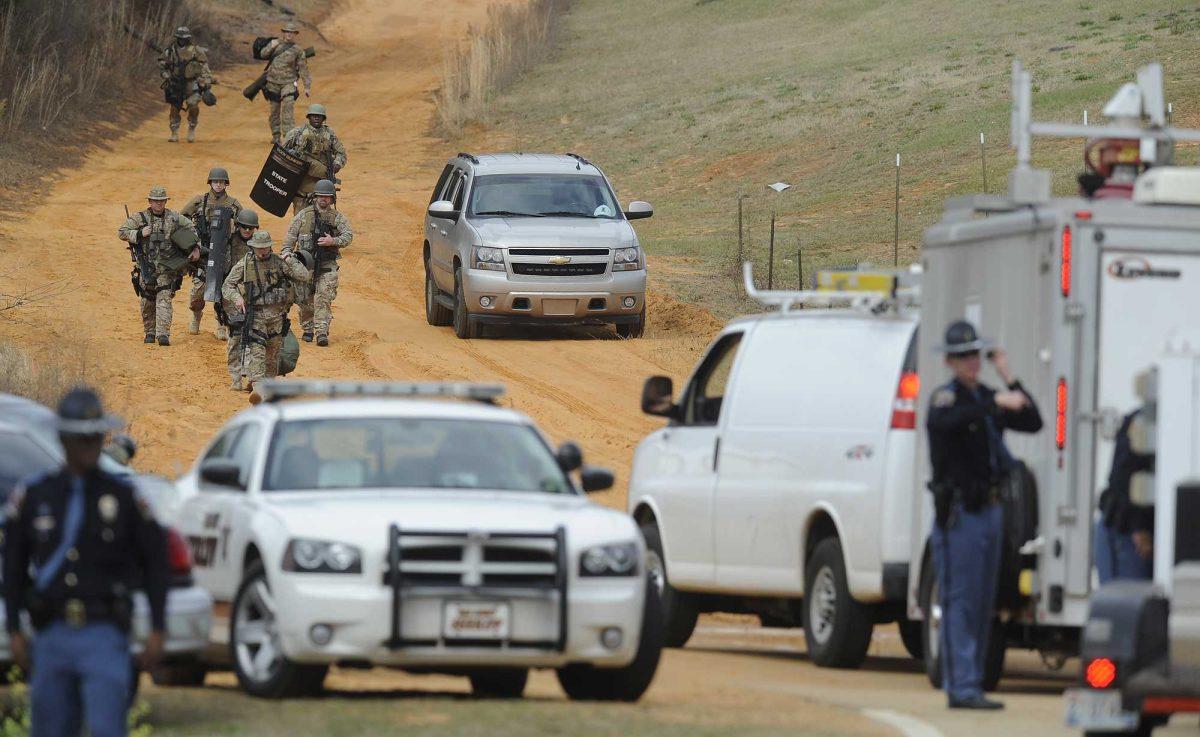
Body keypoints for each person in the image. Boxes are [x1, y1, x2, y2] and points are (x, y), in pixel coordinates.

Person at [4, 387, 167, 737]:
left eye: (95, 438)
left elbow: (155, 560)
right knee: (51, 728)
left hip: (104, 633)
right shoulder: (36, 495)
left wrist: (158, 626)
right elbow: (14, 564)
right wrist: (14, 629)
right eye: (81, 439)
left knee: (107, 728)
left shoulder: (123, 497)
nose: (91, 446)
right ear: (63, 440)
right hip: (51, 633)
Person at [926, 320, 1043, 710]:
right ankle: (961, 686)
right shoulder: (947, 400)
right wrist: (994, 403)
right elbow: (951, 422)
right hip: (961, 514)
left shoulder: (989, 397)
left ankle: (971, 682)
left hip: (991, 513)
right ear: (950, 362)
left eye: (975, 354)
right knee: (960, 600)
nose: (971, 362)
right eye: (963, 356)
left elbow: (1033, 420)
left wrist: (1008, 376)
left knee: (982, 600)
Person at [222, 231, 311, 397]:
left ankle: (267, 389)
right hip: (256, 316)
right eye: (258, 248)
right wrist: (237, 299)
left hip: (277, 317)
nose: (262, 251)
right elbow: (227, 286)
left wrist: (290, 259)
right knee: (257, 352)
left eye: (265, 247)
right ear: (253, 247)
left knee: (272, 355)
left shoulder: (280, 262)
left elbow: (304, 276)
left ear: (270, 246)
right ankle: (257, 388)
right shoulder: (246, 264)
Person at [117, 186, 199, 346]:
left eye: (162, 201)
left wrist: (195, 247)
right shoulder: (140, 218)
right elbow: (122, 232)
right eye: (156, 201)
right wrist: (139, 234)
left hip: (167, 267)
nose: (159, 204)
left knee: (164, 298)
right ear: (150, 201)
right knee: (147, 299)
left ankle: (163, 334)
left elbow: (191, 229)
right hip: (146, 267)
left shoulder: (175, 218)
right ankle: (150, 332)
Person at [281, 178, 353, 346]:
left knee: (323, 297)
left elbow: (348, 235)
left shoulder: (336, 218)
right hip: (305, 265)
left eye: (327, 197)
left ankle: (321, 331)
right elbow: (289, 240)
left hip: (327, 265)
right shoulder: (303, 216)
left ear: (332, 199)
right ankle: (308, 328)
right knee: (305, 299)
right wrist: (287, 256)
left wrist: (332, 241)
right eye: (320, 196)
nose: (323, 199)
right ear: (314, 197)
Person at [1095, 403, 1156, 584]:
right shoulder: (1150, 422)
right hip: (1129, 532)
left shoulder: (1138, 418)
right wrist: (1139, 526)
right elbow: (1126, 477)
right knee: (1132, 606)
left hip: (1114, 523)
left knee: (1113, 606)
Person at [181, 167, 242, 338]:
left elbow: (244, 226)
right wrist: (192, 239)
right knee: (198, 290)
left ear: (226, 184)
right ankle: (196, 315)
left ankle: (221, 323)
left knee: (223, 290)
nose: (218, 185)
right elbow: (181, 218)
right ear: (210, 182)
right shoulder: (199, 201)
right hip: (203, 251)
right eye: (215, 181)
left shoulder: (233, 204)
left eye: (222, 182)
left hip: (224, 252)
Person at [281, 104, 346, 213]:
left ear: (323, 119)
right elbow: (283, 152)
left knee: (322, 214)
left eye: (319, 116)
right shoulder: (297, 133)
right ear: (309, 117)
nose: (316, 118)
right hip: (300, 180)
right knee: (300, 216)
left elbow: (341, 153)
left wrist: (337, 164)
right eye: (313, 116)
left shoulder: (329, 134)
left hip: (322, 179)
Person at [260, 22, 313, 145]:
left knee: (288, 108)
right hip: (272, 83)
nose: (289, 34)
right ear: (283, 33)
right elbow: (263, 54)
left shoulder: (297, 50)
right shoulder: (275, 44)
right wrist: (271, 46)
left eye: (292, 32)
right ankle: (276, 135)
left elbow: (303, 68)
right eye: (287, 32)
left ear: (295, 34)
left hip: (288, 83)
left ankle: (289, 137)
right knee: (274, 111)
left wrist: (307, 86)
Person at [157, 26, 212, 143]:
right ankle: (174, 132)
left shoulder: (196, 50)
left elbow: (204, 66)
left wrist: (206, 81)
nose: (182, 41)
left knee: (193, 105)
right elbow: (162, 64)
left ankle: (192, 127)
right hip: (175, 82)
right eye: (180, 38)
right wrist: (165, 73)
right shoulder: (170, 50)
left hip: (192, 82)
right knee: (174, 108)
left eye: (184, 38)